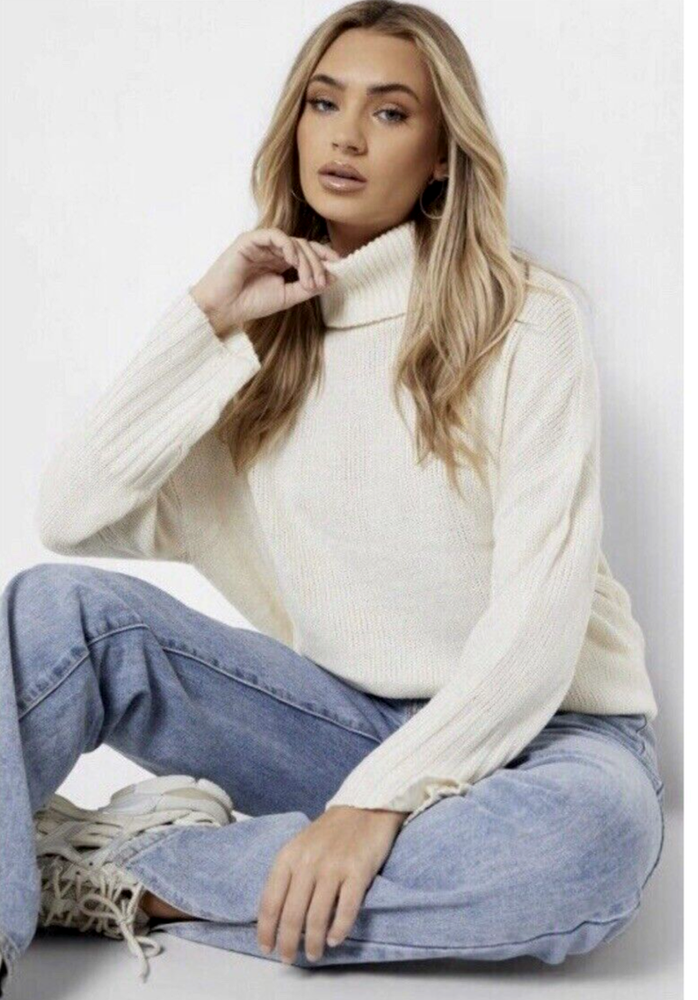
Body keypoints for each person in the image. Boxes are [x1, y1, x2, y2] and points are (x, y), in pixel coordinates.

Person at [0, 0, 664, 991]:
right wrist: (207, 318)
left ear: (441, 156)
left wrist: (376, 805)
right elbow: (70, 512)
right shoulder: (263, 347)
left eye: (390, 112)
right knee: (54, 613)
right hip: (337, 728)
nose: (346, 136)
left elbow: (538, 624)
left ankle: (130, 868)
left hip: (546, 738)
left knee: (585, 849)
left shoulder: (525, 322)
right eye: (324, 103)